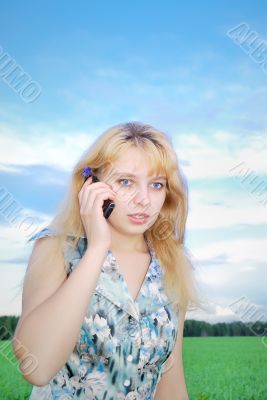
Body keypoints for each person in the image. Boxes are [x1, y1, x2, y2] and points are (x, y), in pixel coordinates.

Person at [13, 121, 202, 399]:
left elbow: (170, 381)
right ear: (92, 184)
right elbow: (37, 368)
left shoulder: (172, 263)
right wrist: (98, 248)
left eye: (156, 184)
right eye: (126, 181)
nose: (143, 200)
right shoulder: (56, 247)